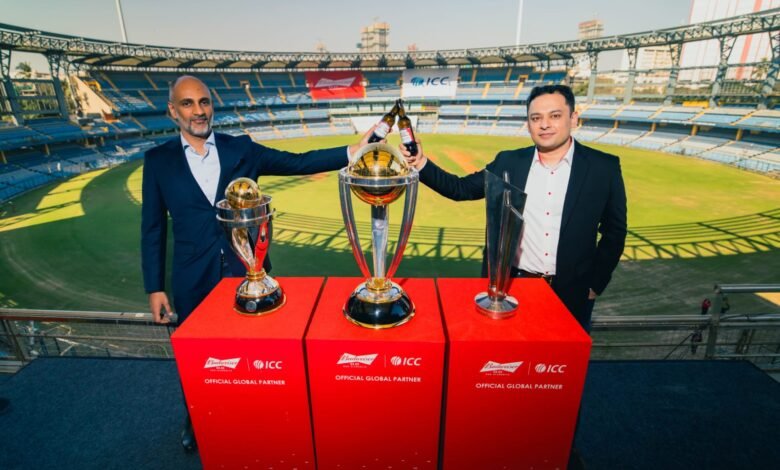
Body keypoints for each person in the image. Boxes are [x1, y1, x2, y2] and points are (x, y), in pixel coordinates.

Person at [141, 75, 374, 451]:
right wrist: (154, 287)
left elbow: (298, 162)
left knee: (255, 351)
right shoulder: (158, 161)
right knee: (196, 357)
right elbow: (152, 227)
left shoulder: (242, 149)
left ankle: (258, 414)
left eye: (204, 102)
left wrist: (352, 151)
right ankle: (196, 417)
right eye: (188, 103)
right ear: (173, 111)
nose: (198, 111)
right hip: (191, 277)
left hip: (247, 272)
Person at [400, 84, 627, 333]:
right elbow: (460, 189)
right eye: (536, 118)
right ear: (528, 124)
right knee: (505, 356)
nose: (544, 125)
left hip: (573, 293)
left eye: (555, 116)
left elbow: (614, 231)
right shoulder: (508, 162)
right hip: (512, 287)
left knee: (563, 358)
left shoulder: (603, 167)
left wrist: (595, 284)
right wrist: (419, 162)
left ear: (573, 118)